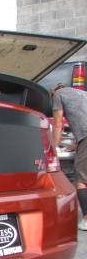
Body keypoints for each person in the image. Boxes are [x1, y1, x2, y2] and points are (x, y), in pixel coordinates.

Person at [51, 83, 87, 231]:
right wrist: (76, 142)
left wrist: (53, 147)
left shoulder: (58, 95)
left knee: (81, 179)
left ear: (53, 91)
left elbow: (58, 124)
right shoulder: (82, 93)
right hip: (83, 138)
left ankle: (86, 219)